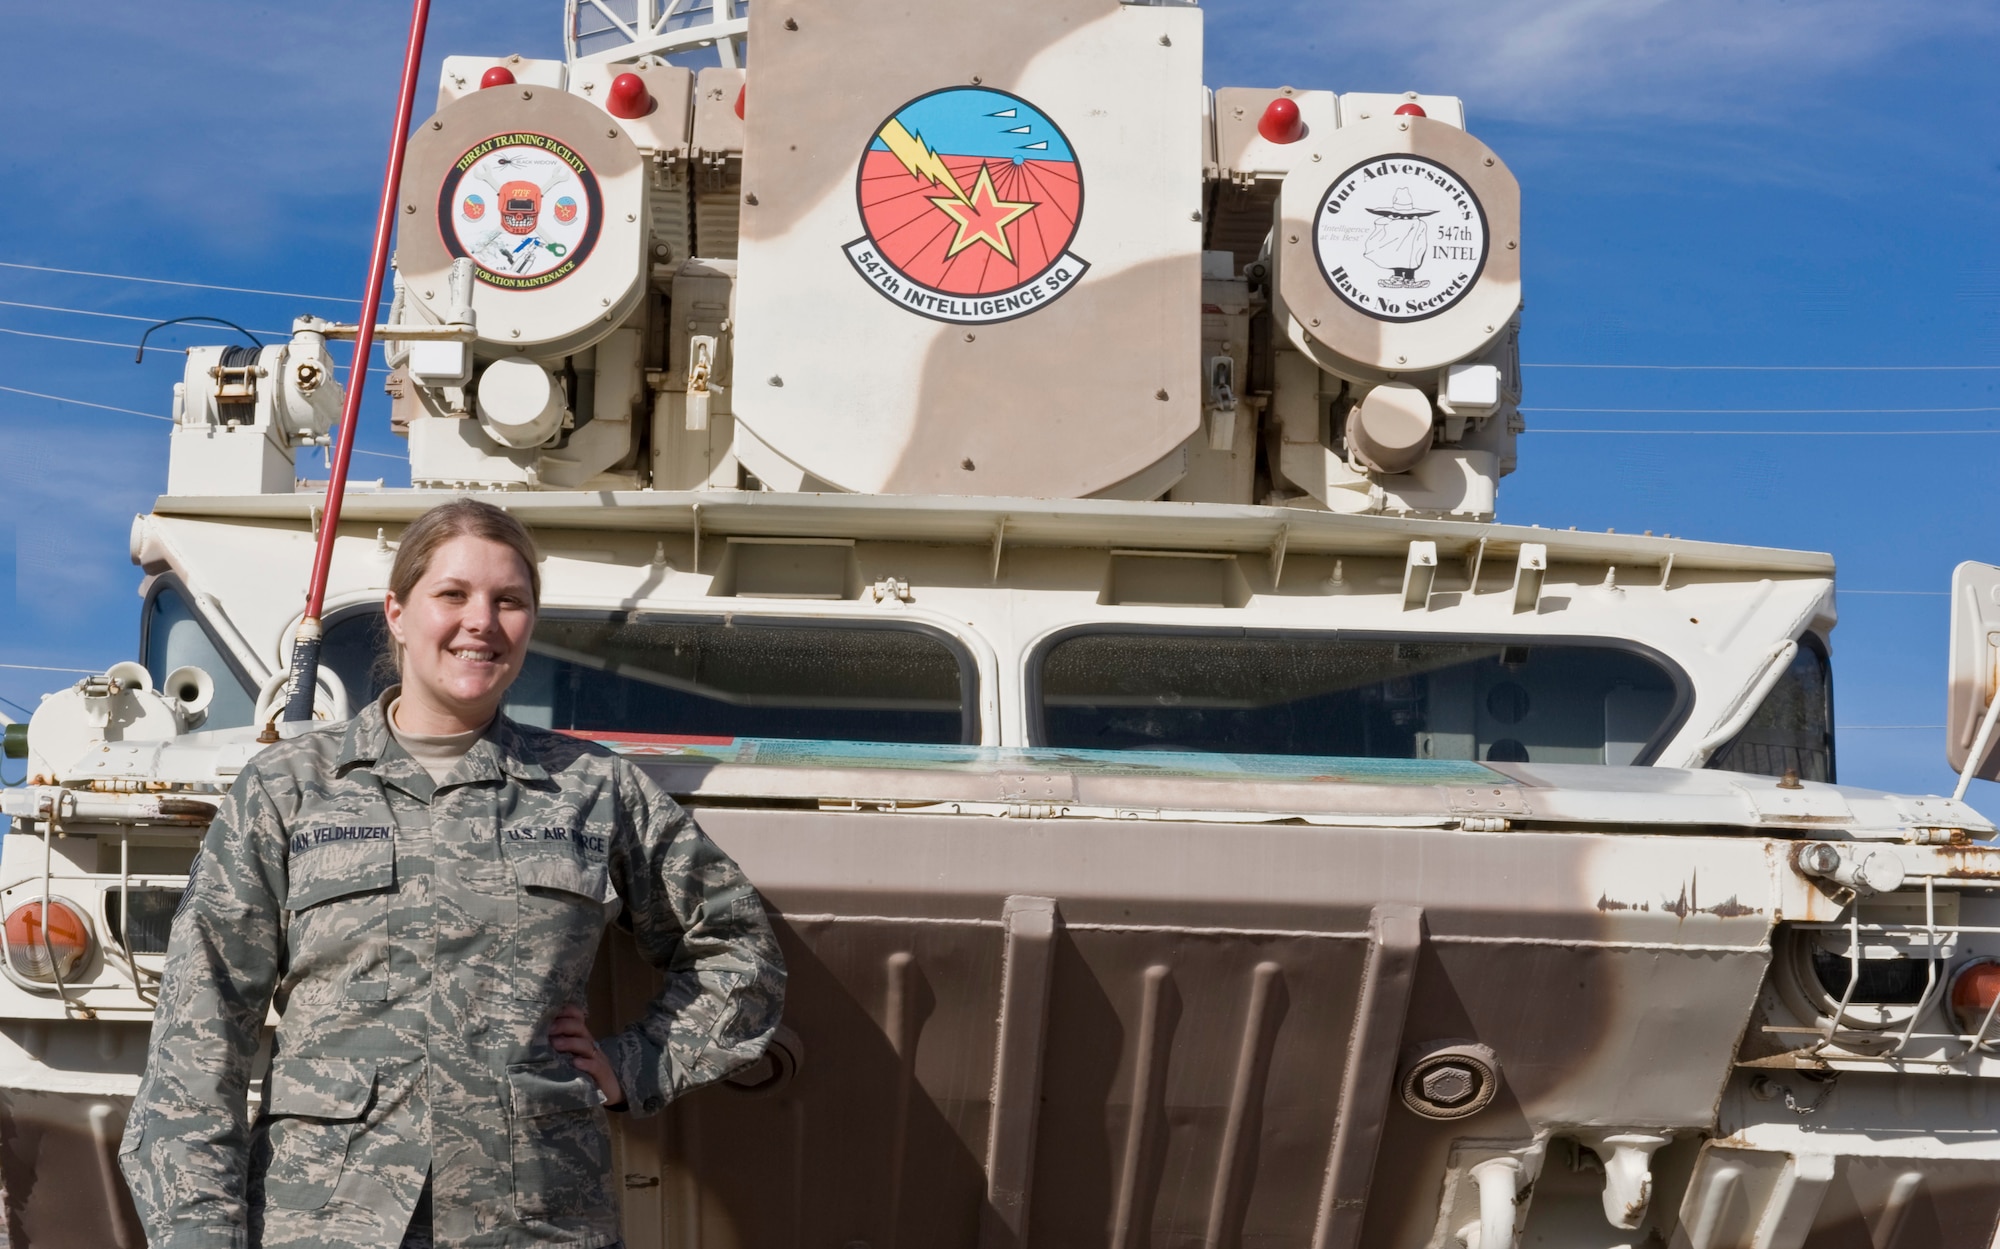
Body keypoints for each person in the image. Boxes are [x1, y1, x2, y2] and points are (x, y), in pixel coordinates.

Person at [119, 498, 786, 1248]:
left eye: (510, 601)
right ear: (398, 613)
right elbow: (199, 1032)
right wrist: (199, 1233)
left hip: (537, 1222)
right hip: (327, 1221)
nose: (482, 622)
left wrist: (634, 1064)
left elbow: (739, 952)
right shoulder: (288, 788)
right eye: (453, 594)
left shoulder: (593, 788)